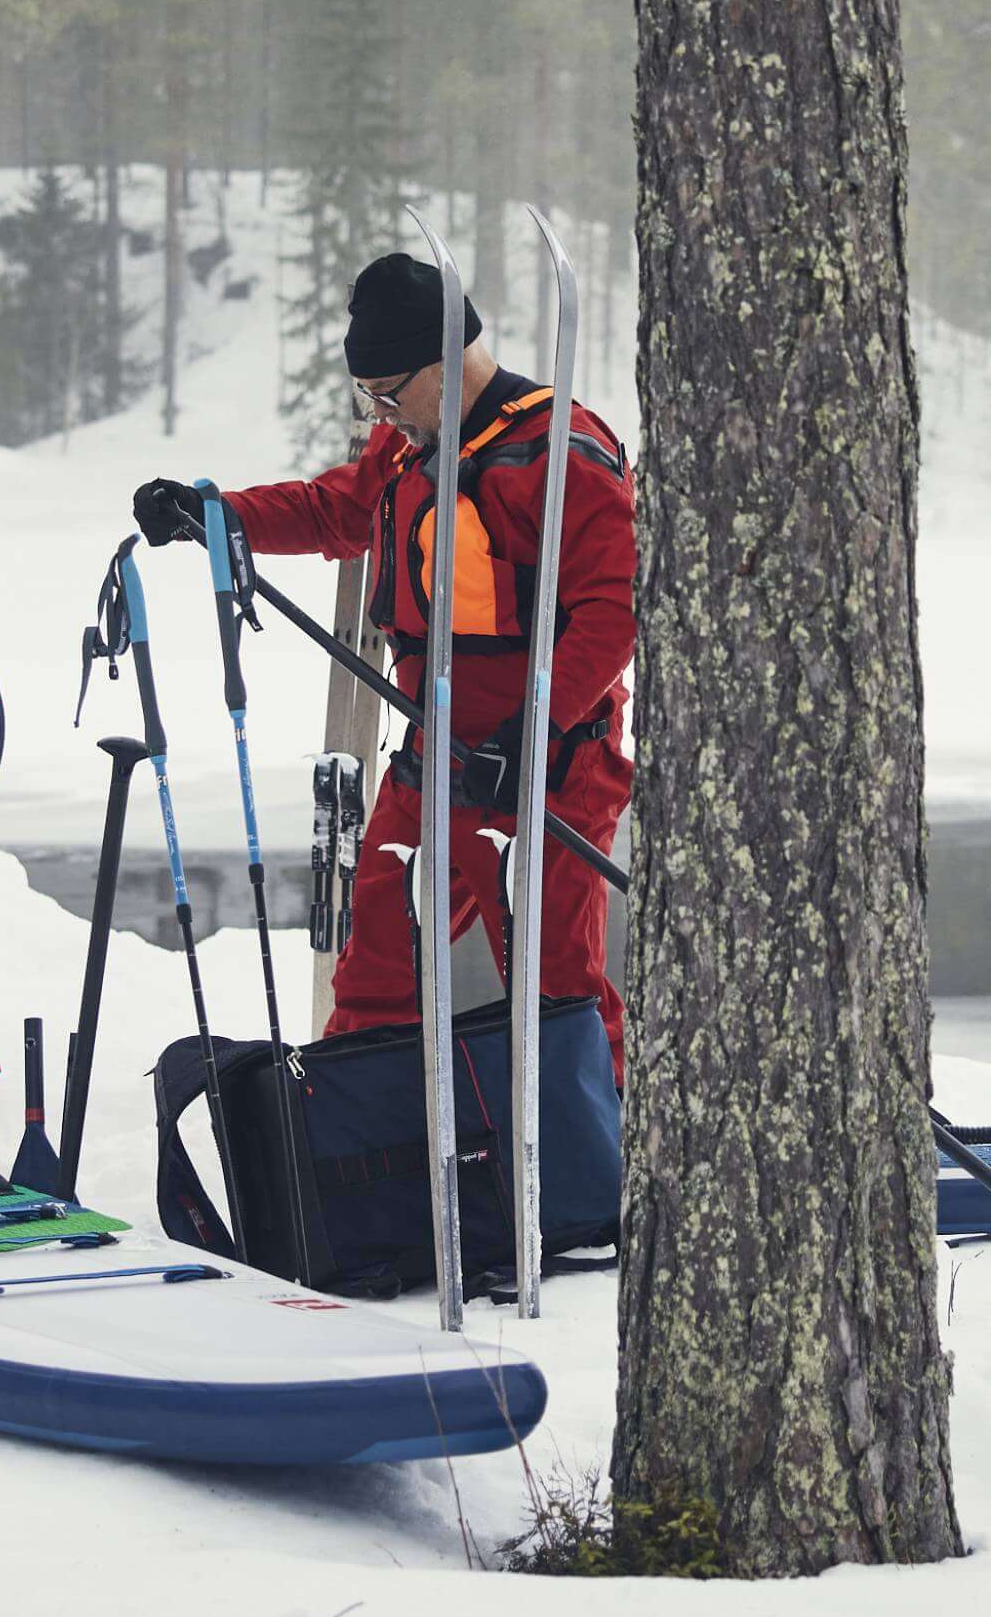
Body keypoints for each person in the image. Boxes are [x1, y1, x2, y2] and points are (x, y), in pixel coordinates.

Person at [134, 253, 637, 1066]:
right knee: (375, 974)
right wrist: (215, 516)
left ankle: (589, 1173)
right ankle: (362, 1153)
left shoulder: (564, 452)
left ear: (442, 367)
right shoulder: (411, 449)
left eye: (387, 394)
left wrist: (526, 733)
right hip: (435, 761)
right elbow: (334, 511)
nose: (380, 415)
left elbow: (612, 616)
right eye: (366, 397)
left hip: (545, 768)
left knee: (556, 997)